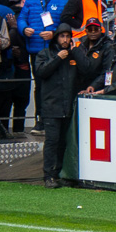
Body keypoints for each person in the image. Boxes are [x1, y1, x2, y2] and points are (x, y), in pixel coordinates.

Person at [32, 27, 82, 188]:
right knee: (52, 141)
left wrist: (78, 53)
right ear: (56, 38)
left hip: (67, 106)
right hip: (51, 105)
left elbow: (86, 70)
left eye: (68, 36)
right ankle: (48, 175)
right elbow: (40, 72)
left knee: (63, 143)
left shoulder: (73, 55)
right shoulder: (45, 54)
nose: (65, 40)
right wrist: (58, 59)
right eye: (62, 36)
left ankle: (58, 173)